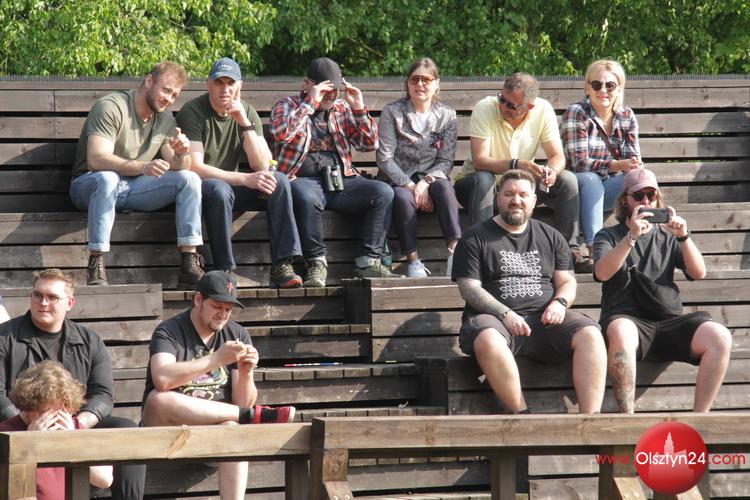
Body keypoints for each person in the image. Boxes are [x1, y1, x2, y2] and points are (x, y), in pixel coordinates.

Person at [452, 170, 606, 414]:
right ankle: (522, 415)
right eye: (509, 194)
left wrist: (560, 303)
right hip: (496, 323)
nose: (516, 200)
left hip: (545, 322)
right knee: (488, 338)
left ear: (534, 200)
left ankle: (590, 420)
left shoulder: (552, 236)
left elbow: (567, 281)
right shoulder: (474, 237)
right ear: (498, 197)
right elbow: (469, 288)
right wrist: (504, 314)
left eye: (523, 195)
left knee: (591, 333)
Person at [141, 270, 296, 500]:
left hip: (215, 432)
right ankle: (252, 417)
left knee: (232, 428)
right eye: (216, 307)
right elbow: (162, 378)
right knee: (158, 399)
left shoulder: (237, 333)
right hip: (165, 429)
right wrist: (215, 360)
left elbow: (243, 402)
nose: (223, 315)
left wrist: (246, 372)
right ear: (198, 300)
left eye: (228, 309)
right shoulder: (169, 330)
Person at [593, 168, 732, 413]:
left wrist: (683, 237)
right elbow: (602, 273)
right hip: (627, 320)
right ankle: (627, 418)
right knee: (621, 330)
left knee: (719, 336)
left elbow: (699, 273)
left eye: (651, 195)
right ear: (625, 200)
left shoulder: (667, 235)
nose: (646, 201)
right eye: (639, 196)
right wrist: (631, 237)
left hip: (668, 321)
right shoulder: (609, 235)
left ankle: (700, 419)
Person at [0, 268, 145, 499]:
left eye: (52, 297)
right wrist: (26, 424)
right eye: (37, 295)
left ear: (70, 303)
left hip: (73, 420)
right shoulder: (4, 337)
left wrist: (77, 426)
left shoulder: (89, 341)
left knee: (128, 431)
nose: (43, 303)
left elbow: (103, 394)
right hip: (19, 421)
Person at [69, 61, 204, 289]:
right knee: (108, 178)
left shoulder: (165, 118)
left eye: (174, 95)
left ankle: (189, 262)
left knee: (189, 179)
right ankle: (96, 261)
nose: (169, 99)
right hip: (89, 186)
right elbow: (96, 159)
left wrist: (182, 153)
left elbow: (179, 166)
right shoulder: (111, 106)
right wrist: (143, 167)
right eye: (166, 90)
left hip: (134, 189)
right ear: (149, 81)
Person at [270, 56, 399, 287]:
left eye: (335, 89)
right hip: (303, 179)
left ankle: (369, 262)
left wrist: (358, 108)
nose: (331, 95)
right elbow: (281, 133)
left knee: (383, 192)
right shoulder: (287, 105)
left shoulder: (341, 109)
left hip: (342, 180)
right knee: (306, 197)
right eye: (325, 89)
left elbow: (369, 144)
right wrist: (310, 103)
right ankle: (316, 264)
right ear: (307, 83)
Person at [176, 58, 303, 289]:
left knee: (279, 181)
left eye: (230, 83)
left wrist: (244, 123)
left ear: (239, 86)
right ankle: (225, 269)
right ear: (208, 84)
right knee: (219, 189)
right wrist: (245, 179)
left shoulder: (247, 111)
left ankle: (282, 265)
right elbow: (195, 167)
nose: (225, 89)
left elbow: (263, 164)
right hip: (202, 189)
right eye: (219, 82)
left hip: (232, 187)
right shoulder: (192, 111)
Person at [453, 73, 585, 271]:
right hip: (476, 186)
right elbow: (480, 161)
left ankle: (569, 252)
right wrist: (517, 164)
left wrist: (551, 171)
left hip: (519, 186)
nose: (503, 107)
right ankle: (483, 251)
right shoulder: (485, 107)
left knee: (567, 179)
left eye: (512, 105)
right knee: (484, 179)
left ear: (529, 106)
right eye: (502, 99)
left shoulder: (543, 109)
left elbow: (558, 156)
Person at [376, 57, 461, 277]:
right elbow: (385, 158)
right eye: (414, 79)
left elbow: (445, 160)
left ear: (436, 83)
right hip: (398, 177)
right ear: (407, 83)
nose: (420, 84)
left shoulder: (446, 116)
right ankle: (413, 261)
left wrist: (425, 182)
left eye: (426, 79)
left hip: (430, 176)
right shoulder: (393, 112)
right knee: (403, 198)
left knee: (445, 188)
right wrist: (411, 185)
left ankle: (455, 253)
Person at [561, 59, 641, 272]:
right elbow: (579, 164)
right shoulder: (577, 112)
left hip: (608, 189)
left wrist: (633, 166)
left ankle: (642, 245)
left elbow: (631, 162)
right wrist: (617, 165)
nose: (603, 90)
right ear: (587, 87)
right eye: (596, 85)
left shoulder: (627, 116)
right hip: (575, 189)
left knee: (639, 182)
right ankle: (596, 250)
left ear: (619, 88)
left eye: (610, 85)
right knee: (591, 179)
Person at [0, 360, 113, 499]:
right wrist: (29, 444)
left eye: (63, 410)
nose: (56, 418)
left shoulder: (71, 427)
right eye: (48, 412)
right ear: (29, 407)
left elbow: (104, 479)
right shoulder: (6, 432)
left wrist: (73, 442)